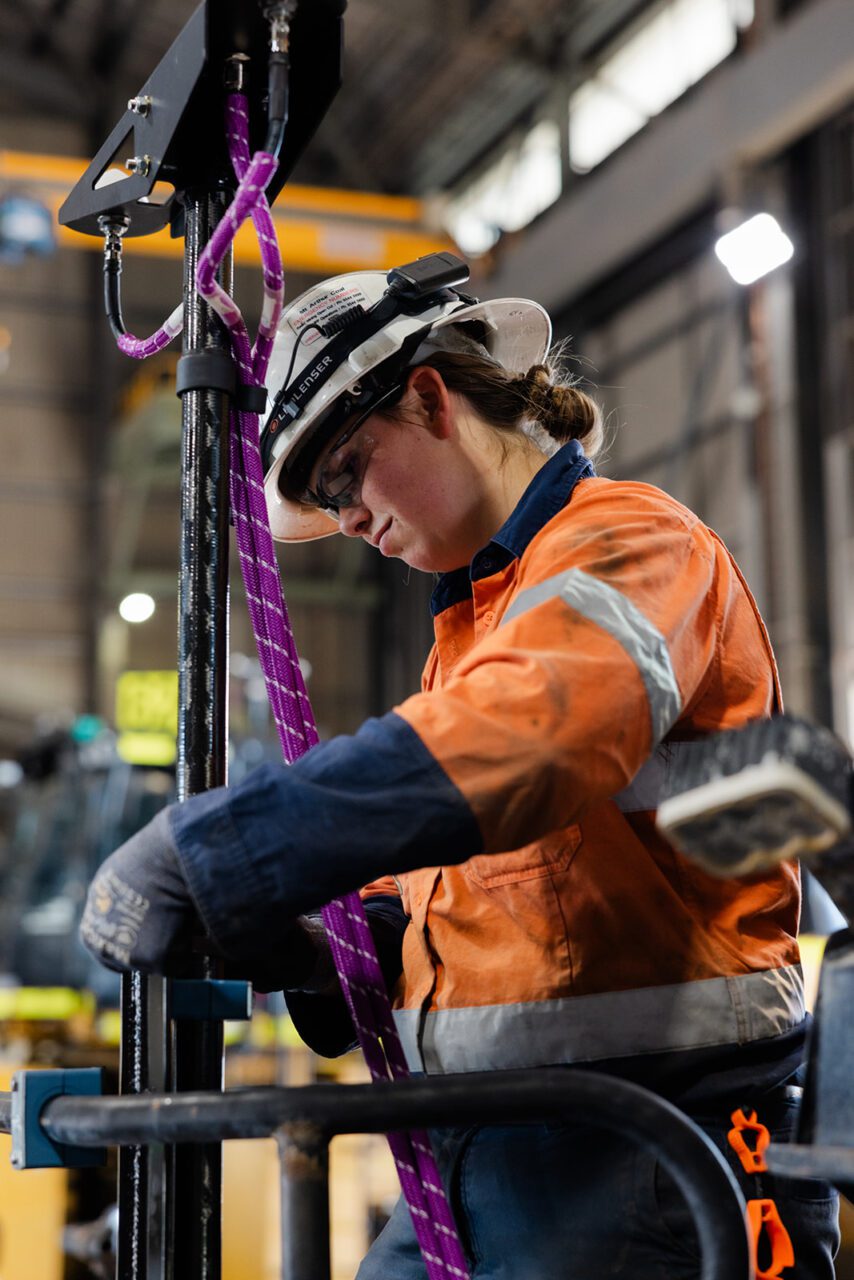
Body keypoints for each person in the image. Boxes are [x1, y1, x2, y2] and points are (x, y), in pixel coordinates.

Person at [81, 254, 839, 1278]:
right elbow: (491, 914)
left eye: (346, 473)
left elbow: (531, 738)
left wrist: (219, 849)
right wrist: (320, 952)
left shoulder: (632, 542)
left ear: (431, 399)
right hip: (491, 1140)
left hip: (647, 1148)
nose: (347, 519)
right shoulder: (472, 633)